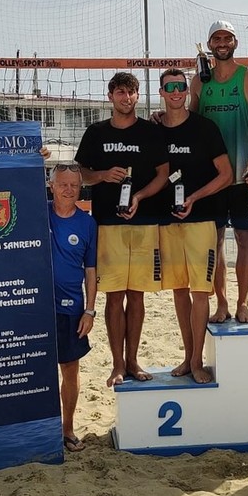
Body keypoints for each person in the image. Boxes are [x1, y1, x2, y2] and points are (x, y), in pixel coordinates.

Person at [75, 71, 168, 387]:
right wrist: (102, 175)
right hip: (108, 224)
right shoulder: (96, 132)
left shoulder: (150, 131)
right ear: (110, 96)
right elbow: (81, 173)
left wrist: (139, 197)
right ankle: (117, 364)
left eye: (131, 92)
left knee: (137, 297)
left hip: (143, 222)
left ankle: (133, 361)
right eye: (120, 92)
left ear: (137, 96)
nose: (126, 98)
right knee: (114, 298)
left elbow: (163, 174)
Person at [157, 69, 233, 383]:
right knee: (179, 290)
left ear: (187, 91)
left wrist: (194, 197)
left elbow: (226, 175)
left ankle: (197, 361)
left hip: (202, 219)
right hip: (167, 221)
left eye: (181, 86)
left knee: (200, 291)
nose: (176, 91)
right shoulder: (154, 129)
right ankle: (188, 358)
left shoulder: (204, 128)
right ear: (162, 92)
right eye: (170, 87)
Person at [189, 20, 248, 324]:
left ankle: (243, 303)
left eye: (227, 38)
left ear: (235, 42)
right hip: (212, 179)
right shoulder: (199, 82)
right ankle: (221, 303)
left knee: (245, 240)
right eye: (217, 39)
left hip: (244, 174)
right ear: (209, 44)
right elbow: (188, 122)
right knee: (216, 243)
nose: (222, 43)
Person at [48, 162, 98, 452]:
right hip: (37, 307)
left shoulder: (87, 223)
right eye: (63, 184)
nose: (69, 190)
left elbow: (91, 271)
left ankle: (67, 429)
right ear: (51, 186)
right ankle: (42, 430)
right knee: (38, 370)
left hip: (71, 308)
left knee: (69, 370)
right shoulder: (37, 213)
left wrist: (89, 310)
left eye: (74, 185)